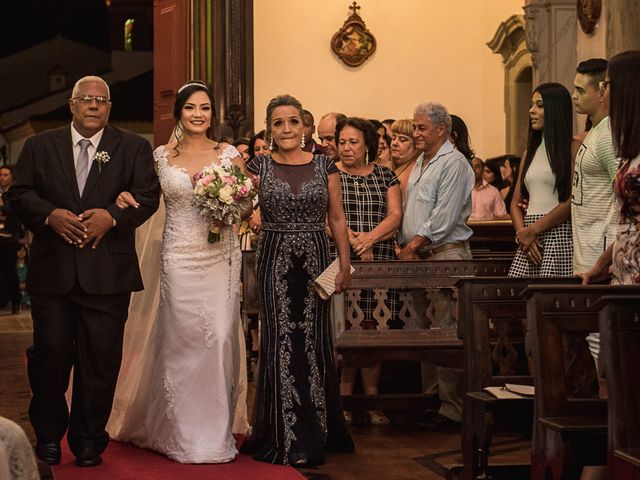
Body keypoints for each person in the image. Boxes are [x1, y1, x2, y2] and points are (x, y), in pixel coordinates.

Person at [8, 75, 160, 467]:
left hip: (107, 274)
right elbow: (19, 193)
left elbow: (148, 194)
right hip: (53, 273)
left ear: (109, 108)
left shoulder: (132, 147)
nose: (94, 105)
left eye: (101, 100)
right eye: (86, 99)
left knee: (101, 359)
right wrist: (50, 216)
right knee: (50, 356)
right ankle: (48, 435)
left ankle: (90, 439)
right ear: (72, 106)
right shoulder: (40, 147)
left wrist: (112, 216)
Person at [106, 80, 251, 463]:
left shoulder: (228, 154)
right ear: (179, 113)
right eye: (190, 108)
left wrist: (232, 207)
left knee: (218, 337)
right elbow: (144, 197)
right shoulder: (160, 157)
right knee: (181, 339)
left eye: (205, 108)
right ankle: (177, 431)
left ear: (212, 114)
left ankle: (214, 432)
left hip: (220, 256)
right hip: (178, 256)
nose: (198, 114)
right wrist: (123, 199)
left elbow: (248, 202)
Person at [243, 94, 354, 466]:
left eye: (293, 121)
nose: (286, 129)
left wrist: (344, 263)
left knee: (312, 340)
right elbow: (239, 207)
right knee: (280, 341)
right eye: (278, 123)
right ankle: (285, 434)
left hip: (315, 257)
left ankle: (318, 430)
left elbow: (337, 218)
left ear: (305, 127)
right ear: (269, 129)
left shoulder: (326, 167)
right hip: (274, 257)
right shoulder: (258, 165)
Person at [577, 50, 640, 480]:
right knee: (615, 378)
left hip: (637, 276)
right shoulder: (626, 144)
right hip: (623, 272)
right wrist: (602, 263)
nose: (605, 92)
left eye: (611, 85)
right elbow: (623, 219)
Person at [397, 102, 474, 429]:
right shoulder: (421, 162)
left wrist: (413, 245)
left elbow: (442, 218)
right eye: (414, 127)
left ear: (442, 129)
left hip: (444, 255)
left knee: (447, 331)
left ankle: (452, 408)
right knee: (425, 331)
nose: (415, 133)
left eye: (421, 128)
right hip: (419, 257)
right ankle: (433, 399)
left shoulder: (453, 163)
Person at [332, 117, 402, 426]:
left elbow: (396, 216)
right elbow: (326, 216)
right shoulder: (330, 175)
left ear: (367, 146)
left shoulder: (386, 176)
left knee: (374, 328)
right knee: (346, 331)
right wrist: (354, 242)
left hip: (379, 260)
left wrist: (370, 238)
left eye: (354, 142)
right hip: (343, 260)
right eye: (343, 142)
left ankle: (373, 401)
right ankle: (344, 401)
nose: (347, 148)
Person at [508, 83, 575, 277]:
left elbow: (572, 201)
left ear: (555, 109)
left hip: (558, 231)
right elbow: (514, 203)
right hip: (528, 237)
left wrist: (533, 230)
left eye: (540, 105)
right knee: (520, 301)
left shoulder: (573, 149)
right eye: (531, 105)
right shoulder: (529, 153)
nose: (531, 110)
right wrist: (523, 234)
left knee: (552, 301)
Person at [571, 58, 619, 274]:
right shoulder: (595, 132)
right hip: (585, 251)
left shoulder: (609, 136)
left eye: (580, 90)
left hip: (600, 255)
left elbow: (624, 198)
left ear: (601, 93)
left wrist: (604, 261)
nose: (574, 96)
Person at [0, 165, 22, 314]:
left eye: (5, 175)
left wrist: (2, 206)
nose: (2, 178)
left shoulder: (15, 193)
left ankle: (16, 301)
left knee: (9, 269)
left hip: (9, 238)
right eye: (0, 175)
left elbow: (13, 211)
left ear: (12, 176)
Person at [390, 119, 422, 202]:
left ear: (416, 145)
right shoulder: (393, 167)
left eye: (402, 140)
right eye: (393, 138)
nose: (394, 143)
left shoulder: (411, 171)